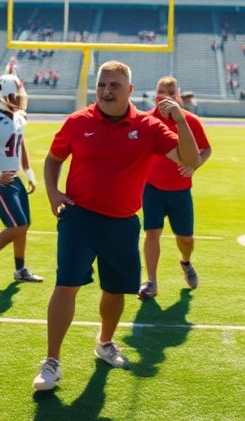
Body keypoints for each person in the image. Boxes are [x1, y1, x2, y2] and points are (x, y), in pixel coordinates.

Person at [31, 61, 201, 391]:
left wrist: (179, 118)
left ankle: (104, 342)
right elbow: (54, 159)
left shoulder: (148, 127)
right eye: (102, 85)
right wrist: (53, 191)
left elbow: (190, 161)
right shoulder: (78, 121)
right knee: (66, 284)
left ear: (130, 91)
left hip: (122, 223)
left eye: (114, 86)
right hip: (79, 217)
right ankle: (52, 361)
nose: (107, 91)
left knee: (115, 290)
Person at [139, 76, 212, 298]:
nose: (166, 97)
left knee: (186, 238)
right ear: (155, 94)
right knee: (152, 232)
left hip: (180, 190)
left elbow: (206, 149)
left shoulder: (189, 120)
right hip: (151, 188)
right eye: (162, 92)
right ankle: (151, 281)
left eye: (171, 93)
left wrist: (194, 166)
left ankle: (186, 262)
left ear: (177, 95)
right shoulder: (146, 121)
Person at [0, 73, 44, 287]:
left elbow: (20, 145)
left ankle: (20, 269)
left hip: (13, 177)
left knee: (24, 225)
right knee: (17, 225)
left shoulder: (18, 116)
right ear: (1, 96)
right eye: (14, 95)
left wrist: (29, 173)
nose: (19, 99)